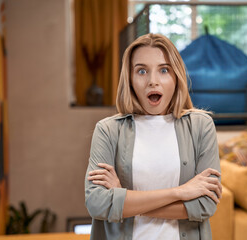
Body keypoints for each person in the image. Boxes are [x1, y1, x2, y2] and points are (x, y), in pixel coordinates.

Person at [85, 33, 222, 240]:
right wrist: (180, 192)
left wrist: (123, 199)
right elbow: (98, 204)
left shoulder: (201, 126)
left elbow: (205, 204)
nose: (152, 81)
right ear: (129, 79)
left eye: (164, 70)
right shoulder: (108, 130)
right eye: (141, 71)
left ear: (176, 76)